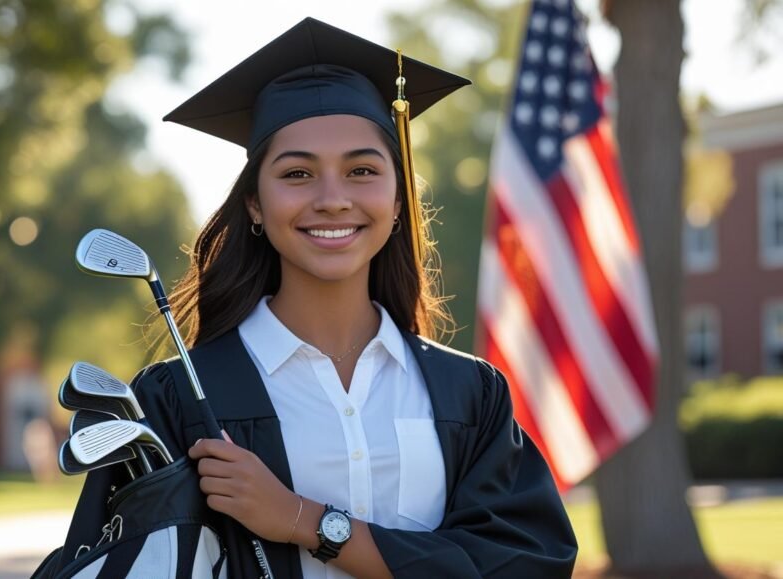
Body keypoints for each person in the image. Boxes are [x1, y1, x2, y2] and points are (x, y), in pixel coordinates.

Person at [58, 17, 577, 578]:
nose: (332, 199)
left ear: (398, 199)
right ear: (255, 204)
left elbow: (522, 565)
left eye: (361, 170)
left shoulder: (469, 394)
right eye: (298, 173)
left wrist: (302, 519)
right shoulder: (180, 399)